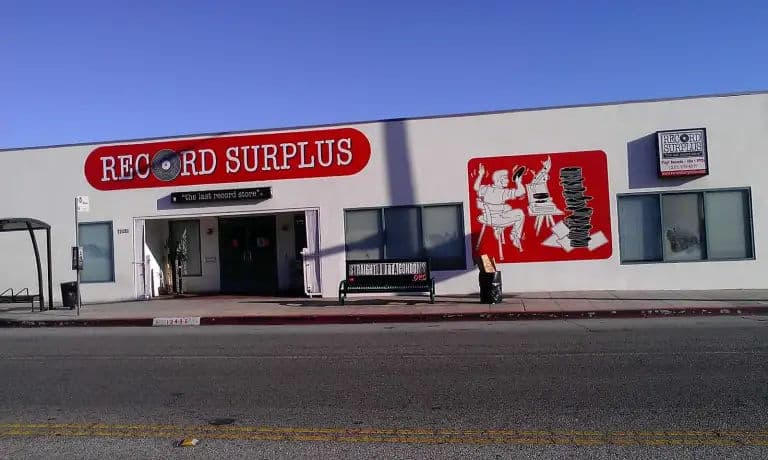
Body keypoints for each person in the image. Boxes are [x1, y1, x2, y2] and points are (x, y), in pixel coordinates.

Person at [473, 163, 526, 251]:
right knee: (520, 214)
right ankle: (514, 236)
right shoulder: (503, 192)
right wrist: (518, 182)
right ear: (499, 180)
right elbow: (521, 192)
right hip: (497, 219)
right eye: (506, 178)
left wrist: (480, 175)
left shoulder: (486, 188)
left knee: (507, 210)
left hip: (487, 218)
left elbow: (476, 187)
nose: (508, 181)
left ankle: (498, 230)